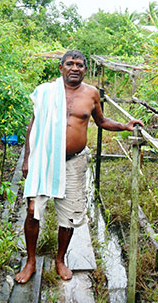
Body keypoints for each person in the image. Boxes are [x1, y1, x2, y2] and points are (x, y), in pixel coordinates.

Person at [15, 50, 144, 283]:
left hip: (74, 163)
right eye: (70, 64)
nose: (75, 68)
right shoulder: (46, 92)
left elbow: (102, 121)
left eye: (80, 65)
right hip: (44, 160)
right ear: (61, 67)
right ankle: (31, 261)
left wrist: (125, 125)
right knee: (33, 211)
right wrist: (27, 159)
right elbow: (33, 124)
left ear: (85, 69)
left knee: (70, 217)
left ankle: (60, 259)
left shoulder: (91, 94)